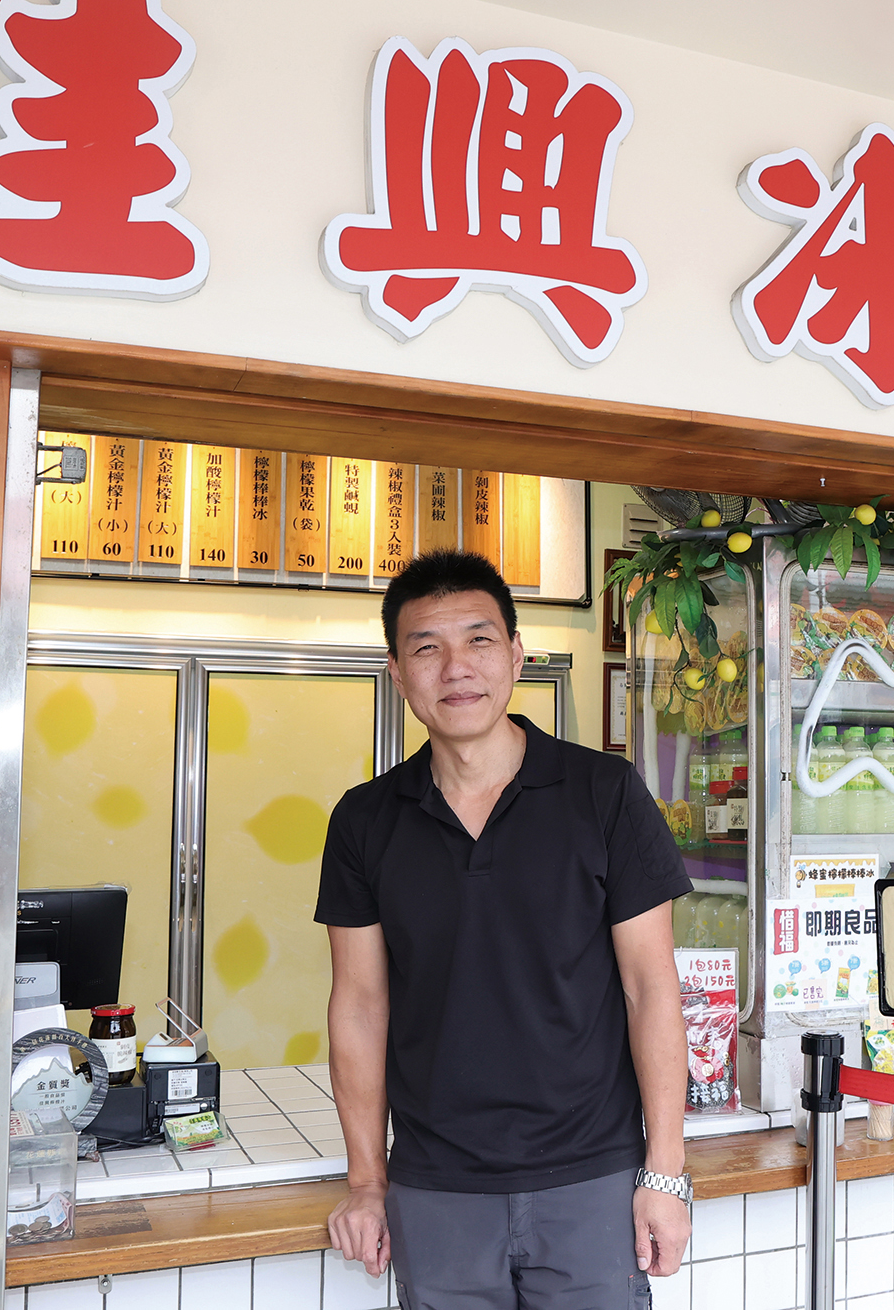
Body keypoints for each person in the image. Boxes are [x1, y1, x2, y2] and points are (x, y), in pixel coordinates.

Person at [316, 549, 694, 1309]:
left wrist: (665, 1171)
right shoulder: (365, 819)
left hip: (591, 1178)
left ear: (516, 656)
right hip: (437, 1185)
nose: (456, 667)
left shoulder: (605, 793)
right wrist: (366, 1181)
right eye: (427, 647)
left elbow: (651, 988)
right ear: (397, 673)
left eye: (479, 640)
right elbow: (358, 1004)